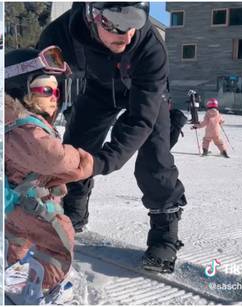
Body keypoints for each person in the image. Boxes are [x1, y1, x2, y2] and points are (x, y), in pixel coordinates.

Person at [37, 2, 187, 273]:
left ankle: (164, 234)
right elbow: (39, 89)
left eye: (135, 22)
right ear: (92, 14)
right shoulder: (60, 36)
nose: (126, 34)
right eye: (117, 22)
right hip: (100, 88)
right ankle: (74, 210)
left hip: (146, 94)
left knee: (155, 158)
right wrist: (38, 134)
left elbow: (140, 119)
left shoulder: (150, 48)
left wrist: (102, 162)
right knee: (75, 146)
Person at [5, 47, 93, 297]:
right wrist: (83, 162)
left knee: (18, 241)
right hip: (33, 206)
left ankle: (14, 282)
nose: (54, 97)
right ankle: (42, 288)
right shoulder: (27, 130)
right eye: (45, 90)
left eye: (56, 91)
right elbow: (55, 158)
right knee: (60, 242)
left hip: (15, 207)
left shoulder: (12, 123)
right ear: (20, 89)